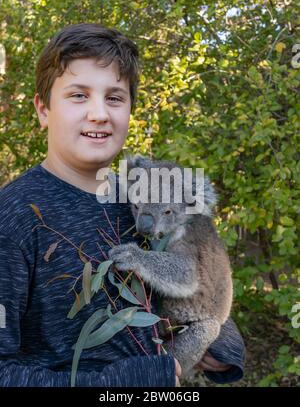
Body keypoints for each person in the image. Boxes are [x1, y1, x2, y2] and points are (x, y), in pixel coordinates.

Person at [0, 23, 245, 387]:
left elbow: (192, 278)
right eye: (78, 95)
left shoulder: (139, 197)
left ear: (130, 110)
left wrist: (220, 338)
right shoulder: (14, 217)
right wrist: (118, 385)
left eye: (114, 98)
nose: (99, 114)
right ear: (43, 110)